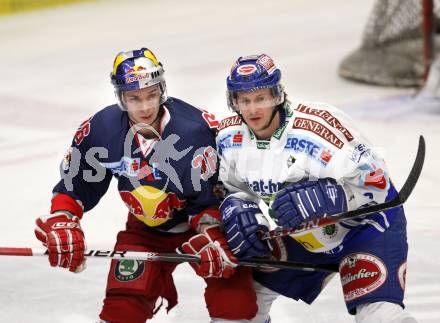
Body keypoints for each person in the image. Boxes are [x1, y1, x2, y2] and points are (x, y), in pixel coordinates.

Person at [34, 47, 258, 323]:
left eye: (151, 94)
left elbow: (217, 193)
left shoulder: (197, 130)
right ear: (120, 96)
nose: (145, 107)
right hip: (146, 228)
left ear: (162, 88)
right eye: (134, 98)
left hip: (205, 224)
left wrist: (214, 230)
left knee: (235, 302)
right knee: (122, 308)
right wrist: (62, 218)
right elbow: (77, 185)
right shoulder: (101, 131)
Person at [216, 54, 418, 323]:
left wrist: (336, 197)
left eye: (261, 98)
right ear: (234, 102)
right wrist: (237, 208)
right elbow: (230, 190)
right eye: (245, 100)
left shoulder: (319, 126)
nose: (253, 109)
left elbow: (377, 181)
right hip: (300, 232)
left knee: (380, 317)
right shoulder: (229, 138)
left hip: (363, 226)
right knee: (238, 311)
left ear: (277, 95)